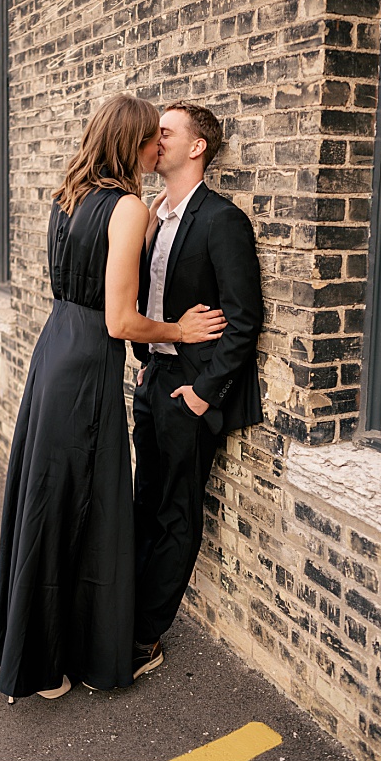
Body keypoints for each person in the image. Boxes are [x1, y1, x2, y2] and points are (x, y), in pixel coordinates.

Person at [0, 94, 227, 700]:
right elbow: (122, 321)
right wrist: (180, 328)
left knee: (46, 503)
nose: (159, 147)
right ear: (132, 143)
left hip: (56, 353)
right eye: (152, 138)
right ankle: (10, 643)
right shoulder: (124, 207)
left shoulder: (68, 196)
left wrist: (145, 224)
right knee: (68, 508)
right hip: (86, 371)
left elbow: (89, 277)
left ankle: (2, 636)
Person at [129, 102, 263, 680]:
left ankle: (143, 636)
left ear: (198, 146)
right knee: (142, 506)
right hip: (153, 379)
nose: (156, 141)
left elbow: (244, 317)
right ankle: (122, 614)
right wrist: (146, 359)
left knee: (177, 514)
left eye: (166, 133)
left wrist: (205, 391)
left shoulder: (221, 220)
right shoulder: (152, 216)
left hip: (190, 394)